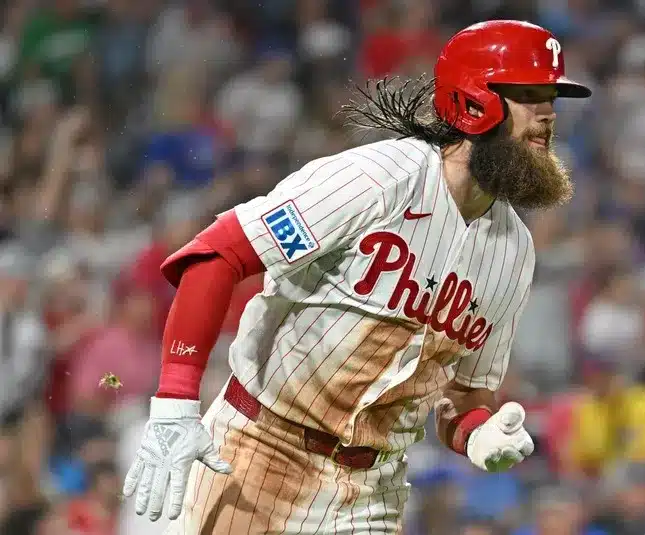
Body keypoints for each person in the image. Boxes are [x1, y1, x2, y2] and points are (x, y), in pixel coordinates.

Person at [121, 20, 591, 534]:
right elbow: (216, 255)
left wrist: (477, 433)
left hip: (372, 490)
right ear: (474, 102)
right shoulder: (377, 180)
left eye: (551, 97)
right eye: (528, 94)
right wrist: (174, 403)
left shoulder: (514, 253)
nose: (547, 113)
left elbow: (464, 393)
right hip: (258, 453)